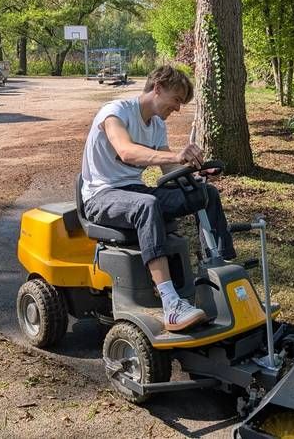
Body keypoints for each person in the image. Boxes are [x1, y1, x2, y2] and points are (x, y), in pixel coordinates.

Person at [81, 65, 235, 332]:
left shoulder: (157, 125)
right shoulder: (115, 113)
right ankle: (171, 303)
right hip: (101, 196)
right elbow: (127, 152)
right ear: (157, 88)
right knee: (147, 205)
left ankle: (222, 272)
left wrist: (195, 173)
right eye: (176, 99)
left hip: (133, 192)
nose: (177, 108)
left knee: (204, 193)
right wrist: (177, 155)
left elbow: (169, 171)